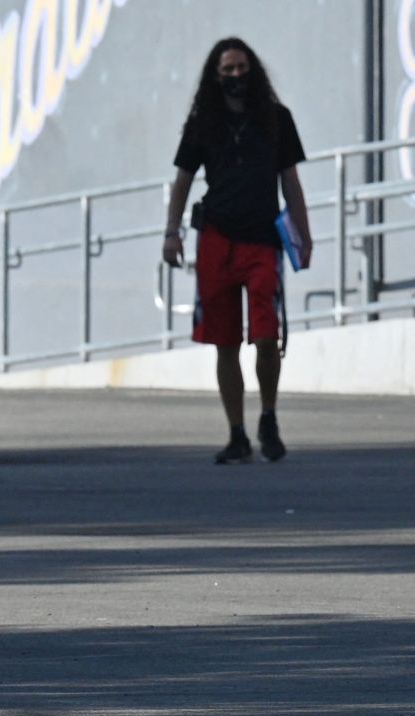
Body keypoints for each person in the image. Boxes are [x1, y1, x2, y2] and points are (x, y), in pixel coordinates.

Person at [163, 38, 311, 464]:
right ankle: (237, 433)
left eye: (241, 67)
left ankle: (268, 415)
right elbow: (183, 180)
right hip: (216, 240)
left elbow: (291, 181)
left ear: (254, 70)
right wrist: (171, 233)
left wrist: (303, 233)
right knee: (224, 342)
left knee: (267, 334)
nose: (235, 76)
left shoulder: (277, 119)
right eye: (227, 69)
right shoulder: (202, 122)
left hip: (263, 239)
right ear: (215, 75)